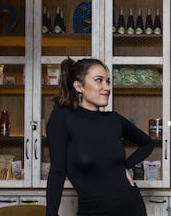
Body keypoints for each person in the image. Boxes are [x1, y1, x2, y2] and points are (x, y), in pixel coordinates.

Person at [46, 57, 155, 216]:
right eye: (99, 80)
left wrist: (125, 166)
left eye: (108, 81)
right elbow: (57, 172)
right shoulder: (62, 118)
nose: (107, 87)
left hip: (131, 206)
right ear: (78, 86)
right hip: (92, 210)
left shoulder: (113, 120)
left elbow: (147, 143)